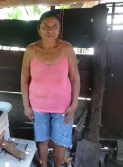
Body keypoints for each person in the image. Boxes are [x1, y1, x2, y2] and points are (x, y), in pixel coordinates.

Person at [21, 11, 80, 167]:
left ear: (59, 29)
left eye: (54, 26)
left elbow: (75, 78)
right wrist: (26, 106)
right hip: (38, 106)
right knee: (42, 140)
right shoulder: (31, 50)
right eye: (46, 26)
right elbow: (24, 79)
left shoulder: (67, 48)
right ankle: (44, 165)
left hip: (63, 107)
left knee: (60, 142)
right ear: (38, 29)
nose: (50, 30)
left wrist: (74, 105)